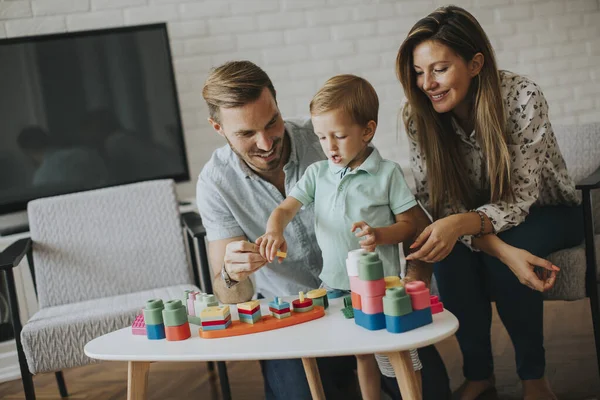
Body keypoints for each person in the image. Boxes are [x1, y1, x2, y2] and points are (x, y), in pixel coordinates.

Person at [197, 61, 450, 399]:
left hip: (374, 300)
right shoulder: (215, 183)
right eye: (246, 133)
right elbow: (228, 294)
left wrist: (409, 293)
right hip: (293, 318)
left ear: (277, 103)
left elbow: (417, 228)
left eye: (271, 122)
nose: (266, 142)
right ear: (218, 128)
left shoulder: (330, 136)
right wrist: (231, 274)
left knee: (431, 390)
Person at [396, 6, 584, 400]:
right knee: (449, 253)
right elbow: (438, 204)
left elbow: (518, 200)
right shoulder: (418, 117)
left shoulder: (522, 97)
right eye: (418, 71)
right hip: (472, 222)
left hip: (547, 211)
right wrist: (492, 244)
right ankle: (479, 376)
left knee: (516, 240)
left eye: (439, 69)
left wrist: (488, 240)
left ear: (475, 62)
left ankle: (535, 380)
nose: (426, 83)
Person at [257, 74, 426, 400]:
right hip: (335, 282)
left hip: (381, 284)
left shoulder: (387, 173)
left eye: (339, 136)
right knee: (360, 351)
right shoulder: (317, 174)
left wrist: (379, 234)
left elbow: (409, 225)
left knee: (396, 351)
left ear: (367, 130)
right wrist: (274, 231)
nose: (329, 147)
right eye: (322, 137)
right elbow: (285, 209)